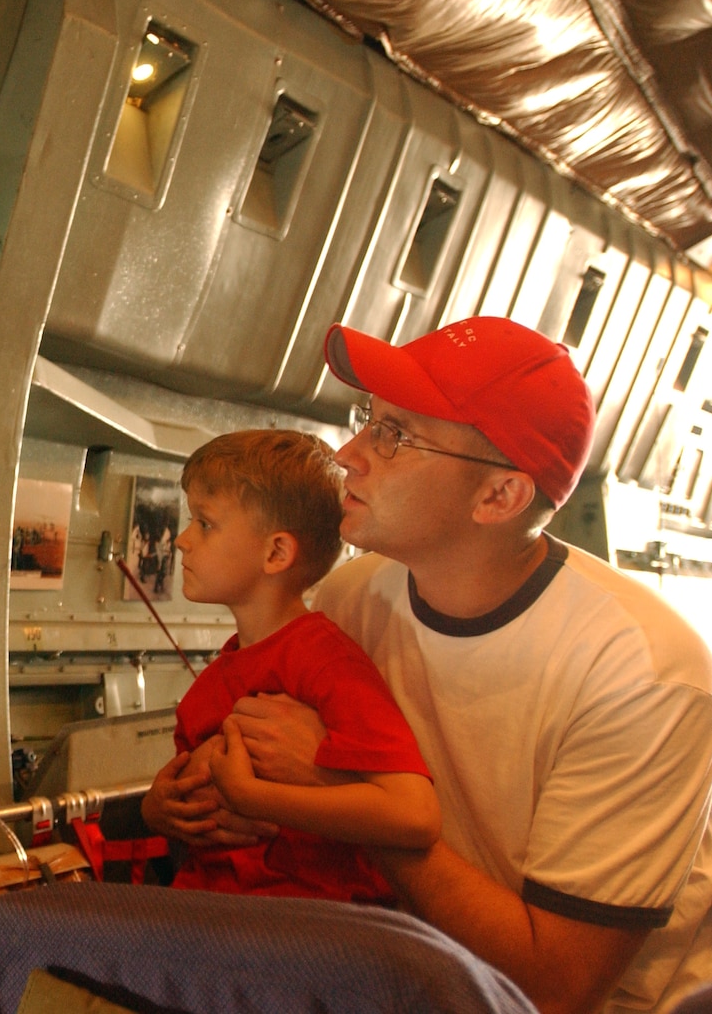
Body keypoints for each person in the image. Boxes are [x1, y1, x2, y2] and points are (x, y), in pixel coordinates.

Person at [142, 317, 712, 1014]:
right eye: (367, 420)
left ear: (497, 497)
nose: (349, 454)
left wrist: (342, 797)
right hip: (402, 975)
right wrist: (183, 801)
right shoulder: (354, 597)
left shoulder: (640, 674)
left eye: (395, 435)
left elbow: (554, 987)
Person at [154, 429, 439, 902]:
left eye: (204, 523)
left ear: (276, 553)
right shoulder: (211, 685)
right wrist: (158, 811)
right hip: (212, 913)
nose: (183, 540)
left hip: (309, 929)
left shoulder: (324, 661)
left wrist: (253, 797)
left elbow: (414, 815)